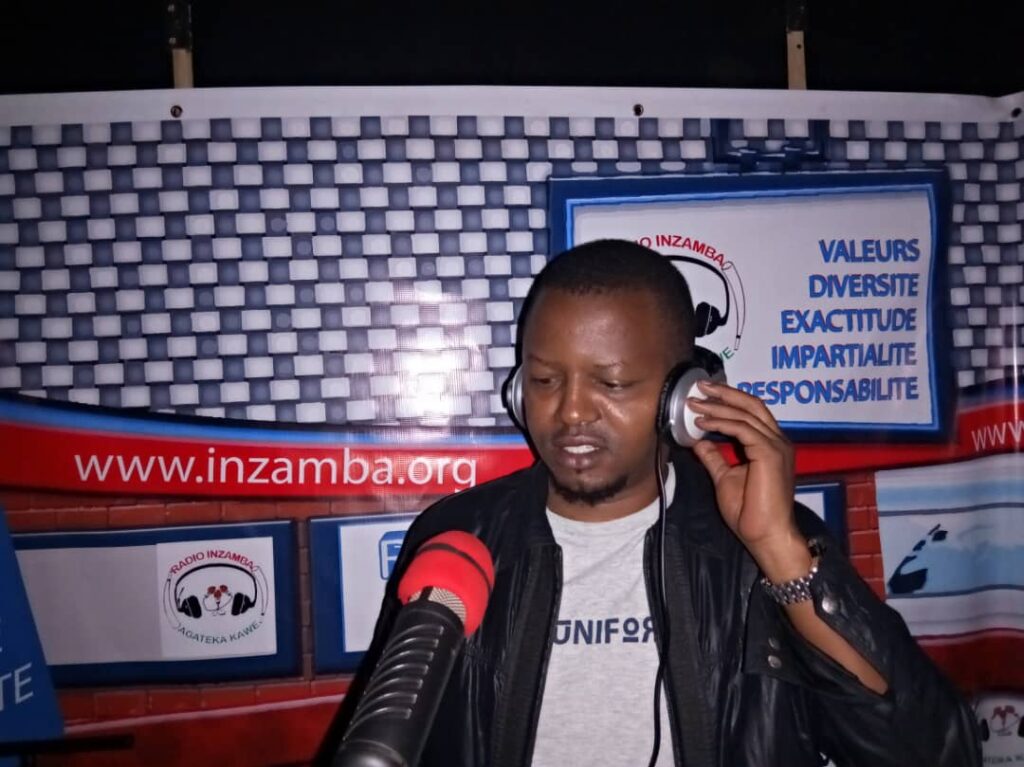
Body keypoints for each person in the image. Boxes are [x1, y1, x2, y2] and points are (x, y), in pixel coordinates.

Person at [324, 239, 980, 766]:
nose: (570, 411)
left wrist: (779, 551)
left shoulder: (757, 549)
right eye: (545, 380)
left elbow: (931, 750)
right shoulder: (460, 537)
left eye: (611, 384)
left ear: (684, 401)